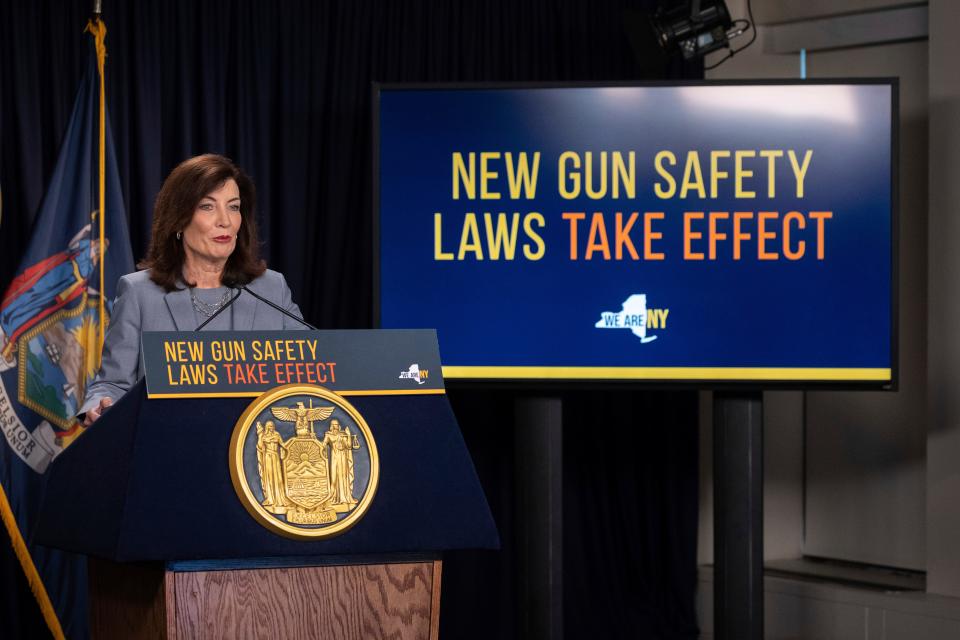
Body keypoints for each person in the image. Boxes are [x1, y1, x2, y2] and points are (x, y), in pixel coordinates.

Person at [79, 154, 306, 425]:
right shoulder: (140, 293)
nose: (225, 221)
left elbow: (309, 373)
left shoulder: (271, 288)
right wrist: (99, 408)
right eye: (208, 207)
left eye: (233, 207)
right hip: (172, 446)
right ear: (178, 219)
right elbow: (112, 384)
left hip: (254, 452)